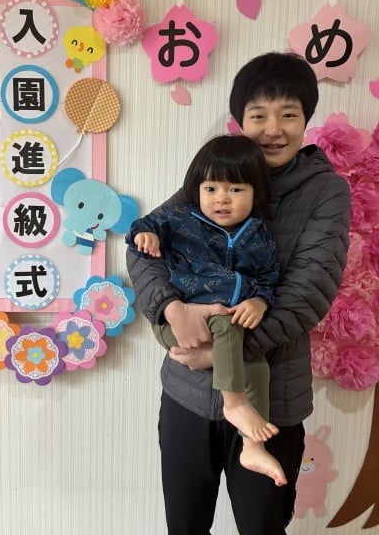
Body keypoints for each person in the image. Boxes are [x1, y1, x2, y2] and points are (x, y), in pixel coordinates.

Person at [126, 52, 351, 535]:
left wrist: (220, 354)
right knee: (184, 525)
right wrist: (170, 308)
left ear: (306, 119)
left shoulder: (326, 192)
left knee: (262, 527)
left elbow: (308, 293)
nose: (273, 129)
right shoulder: (217, 175)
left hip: (271, 402)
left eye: (288, 114)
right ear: (240, 120)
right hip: (188, 395)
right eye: (258, 115)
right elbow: (144, 247)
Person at [126, 134, 286, 486]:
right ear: (196, 190)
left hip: (229, 326)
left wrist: (259, 301)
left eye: (235, 189)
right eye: (211, 189)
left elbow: (269, 278)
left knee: (258, 368)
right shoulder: (182, 218)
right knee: (227, 328)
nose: (221, 198)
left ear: (256, 192)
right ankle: (234, 403)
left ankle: (252, 447)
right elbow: (144, 225)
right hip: (178, 323)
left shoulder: (259, 234)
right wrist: (145, 236)